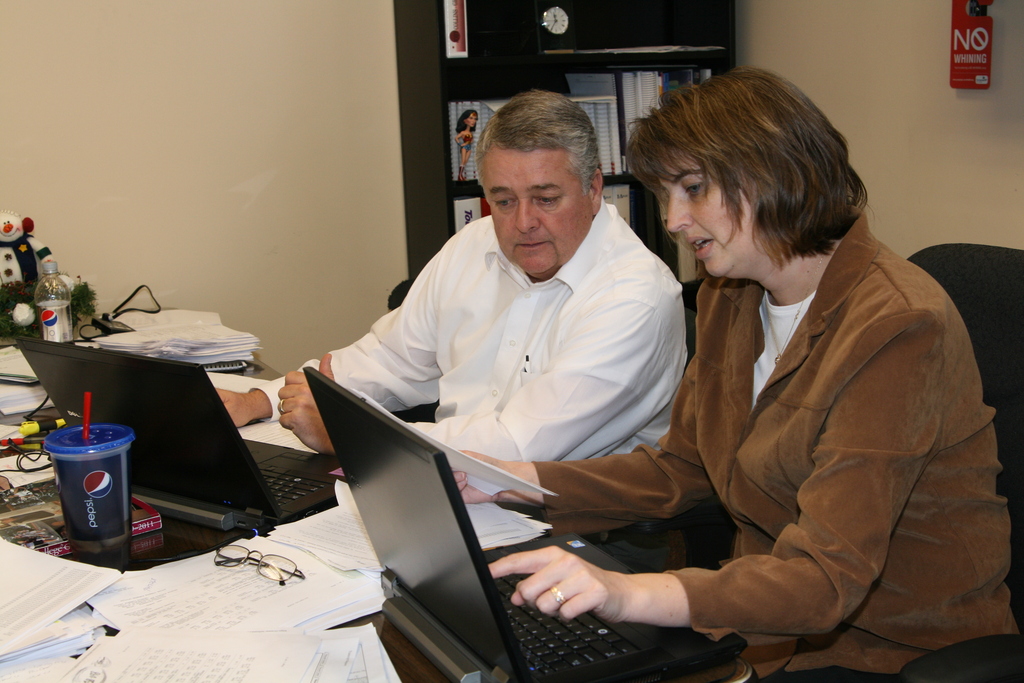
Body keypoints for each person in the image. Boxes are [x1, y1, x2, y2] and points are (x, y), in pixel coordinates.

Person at [457, 67, 1015, 680]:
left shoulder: (899, 325)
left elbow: (827, 577)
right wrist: (514, 482)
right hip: (756, 627)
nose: (671, 218)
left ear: (774, 174)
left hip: (891, 651)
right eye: (668, 192)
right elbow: (683, 467)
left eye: (692, 188)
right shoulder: (730, 293)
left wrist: (631, 593)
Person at [220, 89, 686, 463]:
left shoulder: (635, 294)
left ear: (593, 187)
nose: (523, 222)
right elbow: (391, 360)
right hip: (447, 487)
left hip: (577, 524)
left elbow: (520, 444)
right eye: (503, 200)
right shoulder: (476, 242)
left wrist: (350, 438)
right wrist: (263, 400)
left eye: (546, 198)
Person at [454, 109, 478, 181]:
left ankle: (462, 175)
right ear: (464, 120)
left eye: (475, 119)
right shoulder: (463, 132)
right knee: (463, 160)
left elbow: (471, 140)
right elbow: (456, 138)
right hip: (464, 147)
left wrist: (470, 142)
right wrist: (460, 144)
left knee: (465, 161)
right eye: (471, 118)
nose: (473, 121)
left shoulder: (470, 133)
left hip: (469, 148)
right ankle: (460, 175)